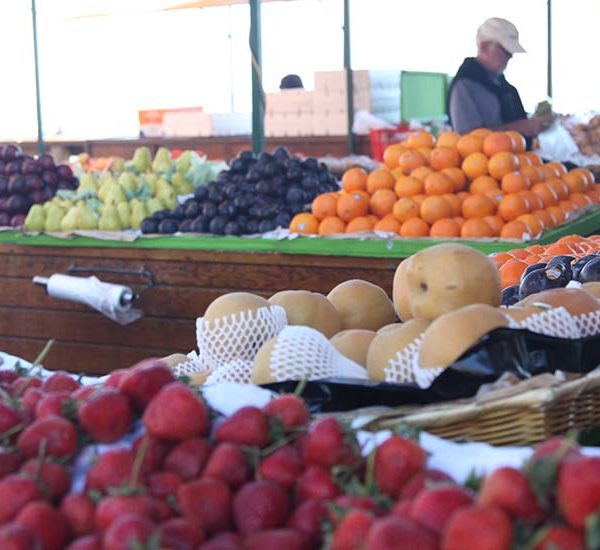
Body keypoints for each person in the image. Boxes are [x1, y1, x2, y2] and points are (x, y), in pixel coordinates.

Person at [448, 17, 552, 139]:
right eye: (505, 51)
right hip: (489, 158)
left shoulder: (503, 86)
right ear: (484, 46)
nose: (510, 57)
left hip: (514, 157)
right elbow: (470, 139)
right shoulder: (465, 86)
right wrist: (522, 127)